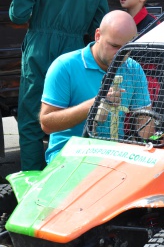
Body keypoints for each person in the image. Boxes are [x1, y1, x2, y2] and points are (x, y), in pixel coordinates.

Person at [9, 0, 109, 171]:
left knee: (31, 119)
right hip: (75, 51)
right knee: (71, 117)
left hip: (39, 49)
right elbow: (99, 24)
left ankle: (34, 185)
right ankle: (68, 180)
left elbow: (18, 14)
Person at [40, 10, 152, 165]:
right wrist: (96, 102)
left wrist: (138, 148)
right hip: (69, 159)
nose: (120, 54)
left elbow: (144, 120)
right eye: (114, 46)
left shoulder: (133, 69)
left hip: (114, 158)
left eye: (127, 48)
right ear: (98, 35)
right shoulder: (65, 66)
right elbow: (47, 124)